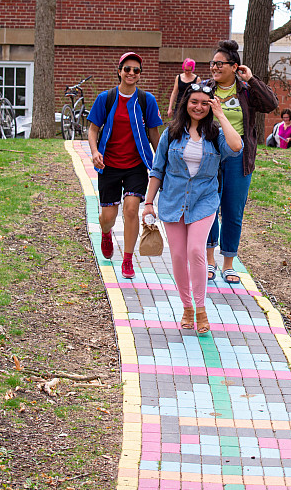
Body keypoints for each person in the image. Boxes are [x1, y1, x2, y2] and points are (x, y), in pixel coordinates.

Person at [142, 84, 243, 333]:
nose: (198, 107)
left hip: (204, 200)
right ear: (186, 103)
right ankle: (187, 307)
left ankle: (201, 308)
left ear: (211, 106)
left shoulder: (215, 134)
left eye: (204, 103)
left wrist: (220, 115)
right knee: (177, 255)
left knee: (196, 250)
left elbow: (237, 146)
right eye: (194, 101)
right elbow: (157, 170)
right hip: (173, 200)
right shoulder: (171, 133)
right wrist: (148, 204)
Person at [204, 39, 279, 285]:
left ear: (234, 66)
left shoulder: (246, 90)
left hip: (239, 156)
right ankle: (209, 260)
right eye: (212, 63)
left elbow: (271, 104)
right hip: (210, 155)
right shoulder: (205, 88)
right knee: (209, 209)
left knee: (233, 211)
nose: (214, 68)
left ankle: (228, 263)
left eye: (220, 64)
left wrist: (252, 79)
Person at [87, 52, 164, 279]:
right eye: (127, 69)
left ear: (140, 75)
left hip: (136, 165)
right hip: (109, 164)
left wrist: (161, 161)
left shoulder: (145, 100)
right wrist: (94, 152)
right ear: (119, 71)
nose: (131, 73)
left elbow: (153, 133)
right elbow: (92, 129)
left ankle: (128, 260)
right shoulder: (106, 98)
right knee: (108, 216)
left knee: (131, 209)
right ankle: (105, 233)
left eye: (136, 70)